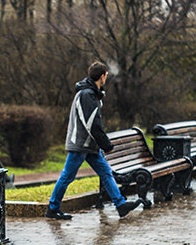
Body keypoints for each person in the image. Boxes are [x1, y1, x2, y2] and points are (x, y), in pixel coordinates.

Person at [45, 61, 142, 221]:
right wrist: (106, 144)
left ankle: (120, 205)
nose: (106, 80)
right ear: (102, 76)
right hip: (80, 144)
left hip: (90, 145)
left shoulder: (92, 94)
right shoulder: (86, 95)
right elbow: (92, 124)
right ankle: (53, 208)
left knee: (106, 172)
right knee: (67, 176)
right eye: (106, 77)